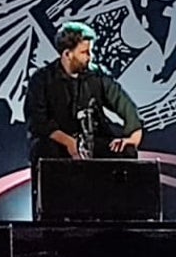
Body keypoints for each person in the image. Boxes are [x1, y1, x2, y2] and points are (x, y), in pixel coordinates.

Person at [24, 21, 143, 167]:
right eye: (84, 52)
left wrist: (133, 137)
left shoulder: (96, 75)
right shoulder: (42, 79)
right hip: (58, 142)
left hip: (92, 141)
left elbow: (124, 104)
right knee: (45, 149)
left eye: (90, 51)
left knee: (125, 151)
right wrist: (69, 143)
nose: (90, 57)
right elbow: (38, 122)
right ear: (67, 54)